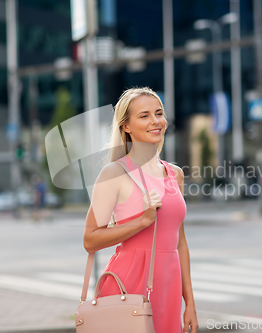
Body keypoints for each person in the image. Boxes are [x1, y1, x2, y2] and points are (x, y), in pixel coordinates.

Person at [83, 87, 198, 333]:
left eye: (159, 113)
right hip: (129, 285)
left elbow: (181, 244)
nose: (155, 121)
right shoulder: (114, 173)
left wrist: (190, 302)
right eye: (144, 116)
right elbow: (90, 240)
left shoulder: (174, 174)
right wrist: (141, 221)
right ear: (126, 126)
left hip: (169, 285)